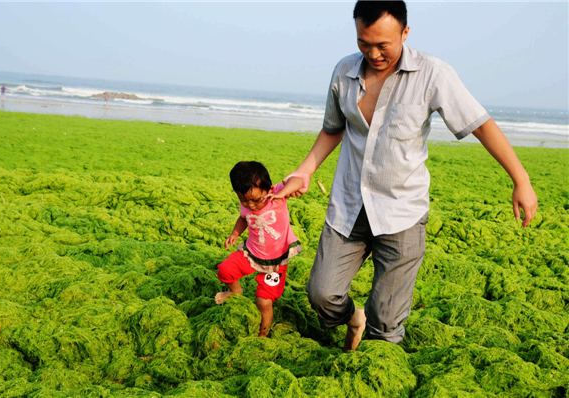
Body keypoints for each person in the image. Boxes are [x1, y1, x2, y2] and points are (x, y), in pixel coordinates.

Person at [283, 1, 538, 352]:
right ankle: (354, 318)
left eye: (383, 45)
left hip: (401, 211)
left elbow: (480, 124)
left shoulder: (433, 74)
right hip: (349, 206)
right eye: (363, 43)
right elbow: (333, 129)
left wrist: (520, 179)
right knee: (322, 295)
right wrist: (305, 170)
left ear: (405, 32)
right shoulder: (344, 72)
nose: (373, 53)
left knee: (385, 324)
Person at [216, 161, 304, 337]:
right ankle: (235, 291)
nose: (251, 205)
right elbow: (244, 217)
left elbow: (299, 181)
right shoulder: (247, 204)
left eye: (256, 200)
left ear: (269, 189)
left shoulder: (277, 195)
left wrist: (282, 193)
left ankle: (262, 334)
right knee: (225, 269)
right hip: (251, 254)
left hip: (276, 262)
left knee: (263, 302)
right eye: (244, 200)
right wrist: (235, 233)